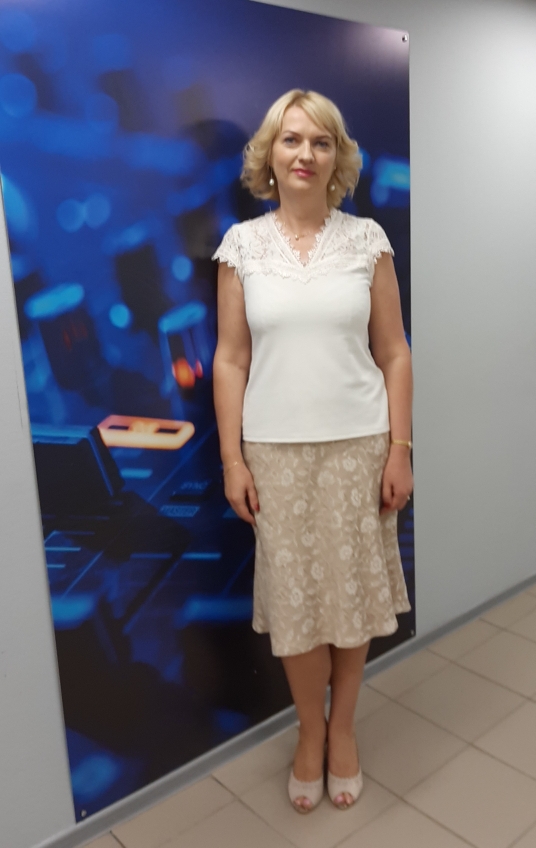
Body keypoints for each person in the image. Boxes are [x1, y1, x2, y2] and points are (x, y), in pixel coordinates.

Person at [212, 89, 413, 814]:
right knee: (297, 608)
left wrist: (400, 448)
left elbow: (394, 352)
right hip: (275, 456)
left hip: (360, 449)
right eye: (292, 140)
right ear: (270, 154)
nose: (305, 154)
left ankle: (344, 730)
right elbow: (230, 359)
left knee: (352, 598)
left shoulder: (368, 240)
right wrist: (233, 460)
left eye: (321, 142)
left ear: (338, 157)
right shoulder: (241, 246)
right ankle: (309, 731)